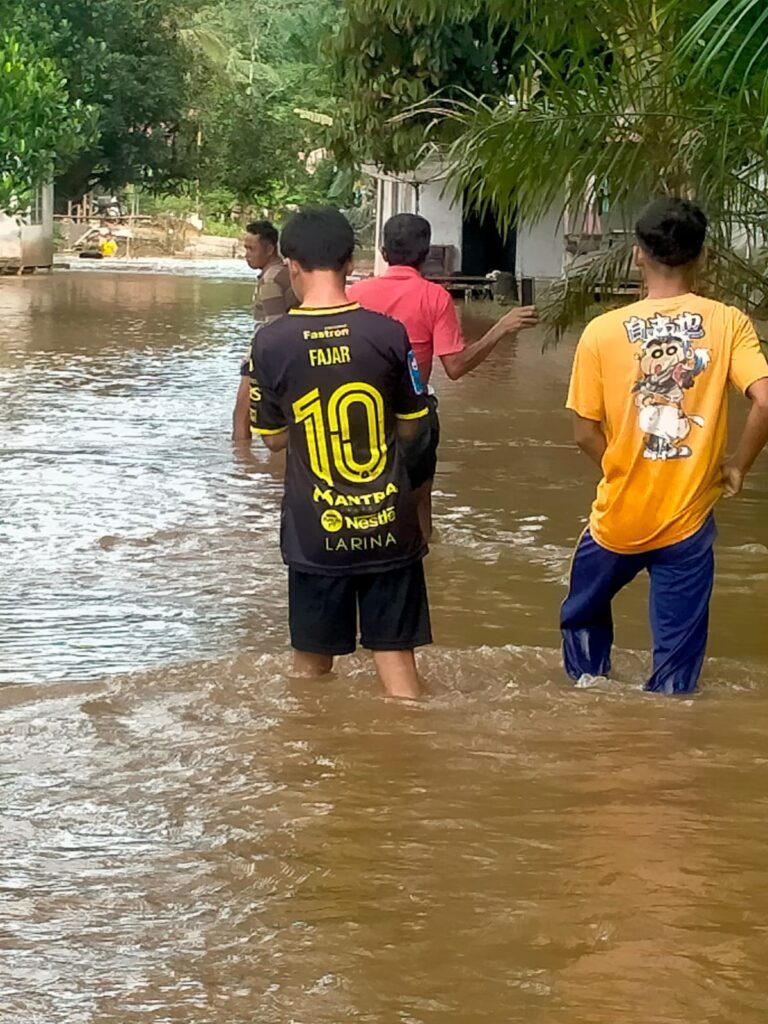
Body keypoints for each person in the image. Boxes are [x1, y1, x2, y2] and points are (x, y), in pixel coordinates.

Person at [562, 197, 768, 695]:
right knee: (678, 669)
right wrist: (738, 464)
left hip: (618, 517)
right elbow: (764, 400)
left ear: (637, 255)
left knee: (580, 615)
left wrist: (619, 463)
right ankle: (668, 740)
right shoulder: (728, 322)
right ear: (702, 258)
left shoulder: (601, 332)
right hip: (688, 521)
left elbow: (584, 431)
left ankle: (588, 697)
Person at [247, 207, 432, 699]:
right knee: (398, 669)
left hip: (316, 533)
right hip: (388, 525)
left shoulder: (271, 342)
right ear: (351, 263)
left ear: (291, 265)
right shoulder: (388, 333)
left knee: (309, 672)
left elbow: (272, 437)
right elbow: (413, 426)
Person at [348, 213, 538, 537]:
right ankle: (426, 569)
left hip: (358, 411)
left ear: (382, 252)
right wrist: (499, 329)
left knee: (360, 500)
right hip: (413, 411)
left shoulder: (353, 296)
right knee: (420, 500)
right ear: (426, 254)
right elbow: (456, 367)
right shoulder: (435, 297)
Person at [233, 220, 297, 440]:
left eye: (252, 249)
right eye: (245, 248)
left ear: (269, 249)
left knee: (242, 412)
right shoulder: (285, 273)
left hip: (270, 353)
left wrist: (253, 359)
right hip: (290, 351)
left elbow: (273, 326)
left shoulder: (271, 279)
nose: (247, 254)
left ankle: (241, 458)